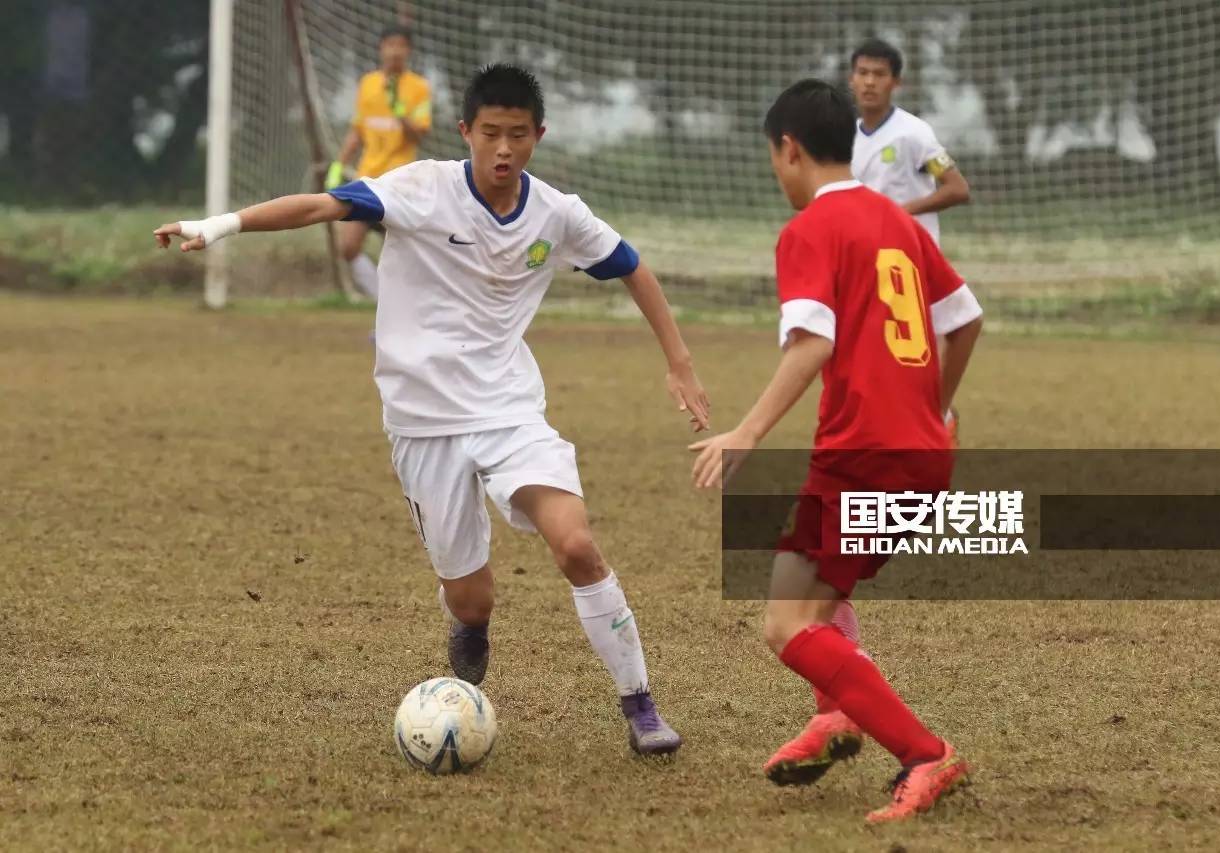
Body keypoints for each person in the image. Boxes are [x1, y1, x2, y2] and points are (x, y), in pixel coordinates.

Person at [154, 64, 711, 757]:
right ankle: (470, 627)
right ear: (465, 133)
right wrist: (221, 225)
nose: (503, 149)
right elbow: (319, 207)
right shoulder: (420, 189)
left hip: (509, 412)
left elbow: (631, 264)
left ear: (538, 135)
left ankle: (641, 705)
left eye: (517, 135)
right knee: (473, 599)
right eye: (489, 134)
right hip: (422, 424)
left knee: (575, 544)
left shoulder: (557, 214)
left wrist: (679, 361)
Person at [690, 79, 983, 822]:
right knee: (819, 593)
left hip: (864, 455)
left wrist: (746, 431)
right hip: (921, 450)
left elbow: (813, 340)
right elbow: (965, 317)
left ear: (789, 149)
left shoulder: (809, 231)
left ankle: (926, 753)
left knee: (786, 625)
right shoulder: (898, 220)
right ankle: (836, 714)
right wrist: (936, 406)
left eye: (772, 158)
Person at [850, 37, 971, 445]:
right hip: (869, 266)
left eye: (879, 75)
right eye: (862, 73)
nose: (869, 82)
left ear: (896, 83)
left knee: (915, 356)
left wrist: (901, 212)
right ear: (852, 80)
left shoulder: (915, 134)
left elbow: (957, 188)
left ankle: (939, 416)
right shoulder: (844, 140)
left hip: (914, 263)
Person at [325, 25, 433, 300]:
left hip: (401, 183)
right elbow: (357, 131)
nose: (395, 51)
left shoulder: (419, 88)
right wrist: (338, 165)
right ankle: (382, 305)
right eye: (390, 45)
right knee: (348, 247)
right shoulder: (368, 83)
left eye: (401, 45)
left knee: (404, 257)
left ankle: (410, 311)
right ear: (381, 48)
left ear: (408, 51)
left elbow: (419, 133)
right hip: (368, 179)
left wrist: (400, 113)